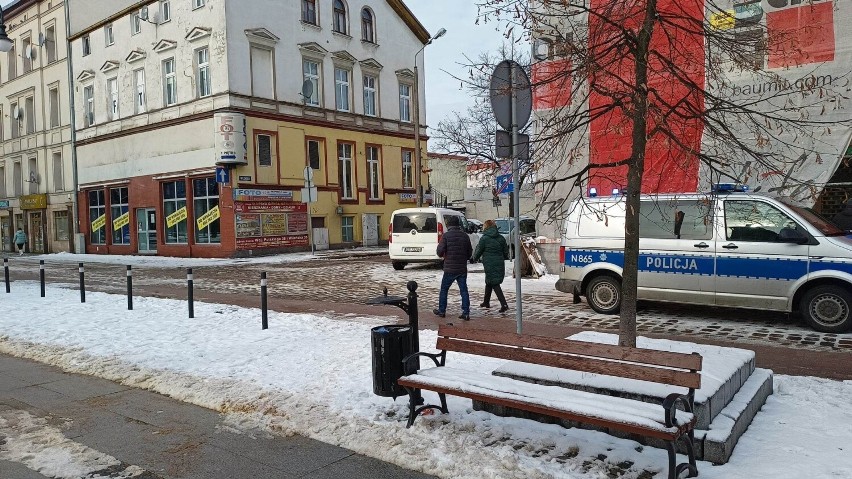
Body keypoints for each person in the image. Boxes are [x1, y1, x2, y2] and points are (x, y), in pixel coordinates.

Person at [433, 215, 473, 320]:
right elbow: (469, 253)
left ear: (449, 225)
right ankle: (466, 312)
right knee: (464, 290)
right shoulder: (465, 236)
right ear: (458, 224)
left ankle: (442, 311)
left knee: (444, 289)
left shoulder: (446, 236)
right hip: (462, 268)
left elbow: (439, 252)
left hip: (449, 269)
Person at [472, 219, 510, 313]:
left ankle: (504, 304)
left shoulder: (484, 238)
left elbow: (478, 250)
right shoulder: (501, 238)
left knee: (494, 283)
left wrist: (474, 258)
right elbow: (506, 251)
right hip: (499, 262)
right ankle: (486, 302)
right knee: (489, 281)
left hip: (489, 263)